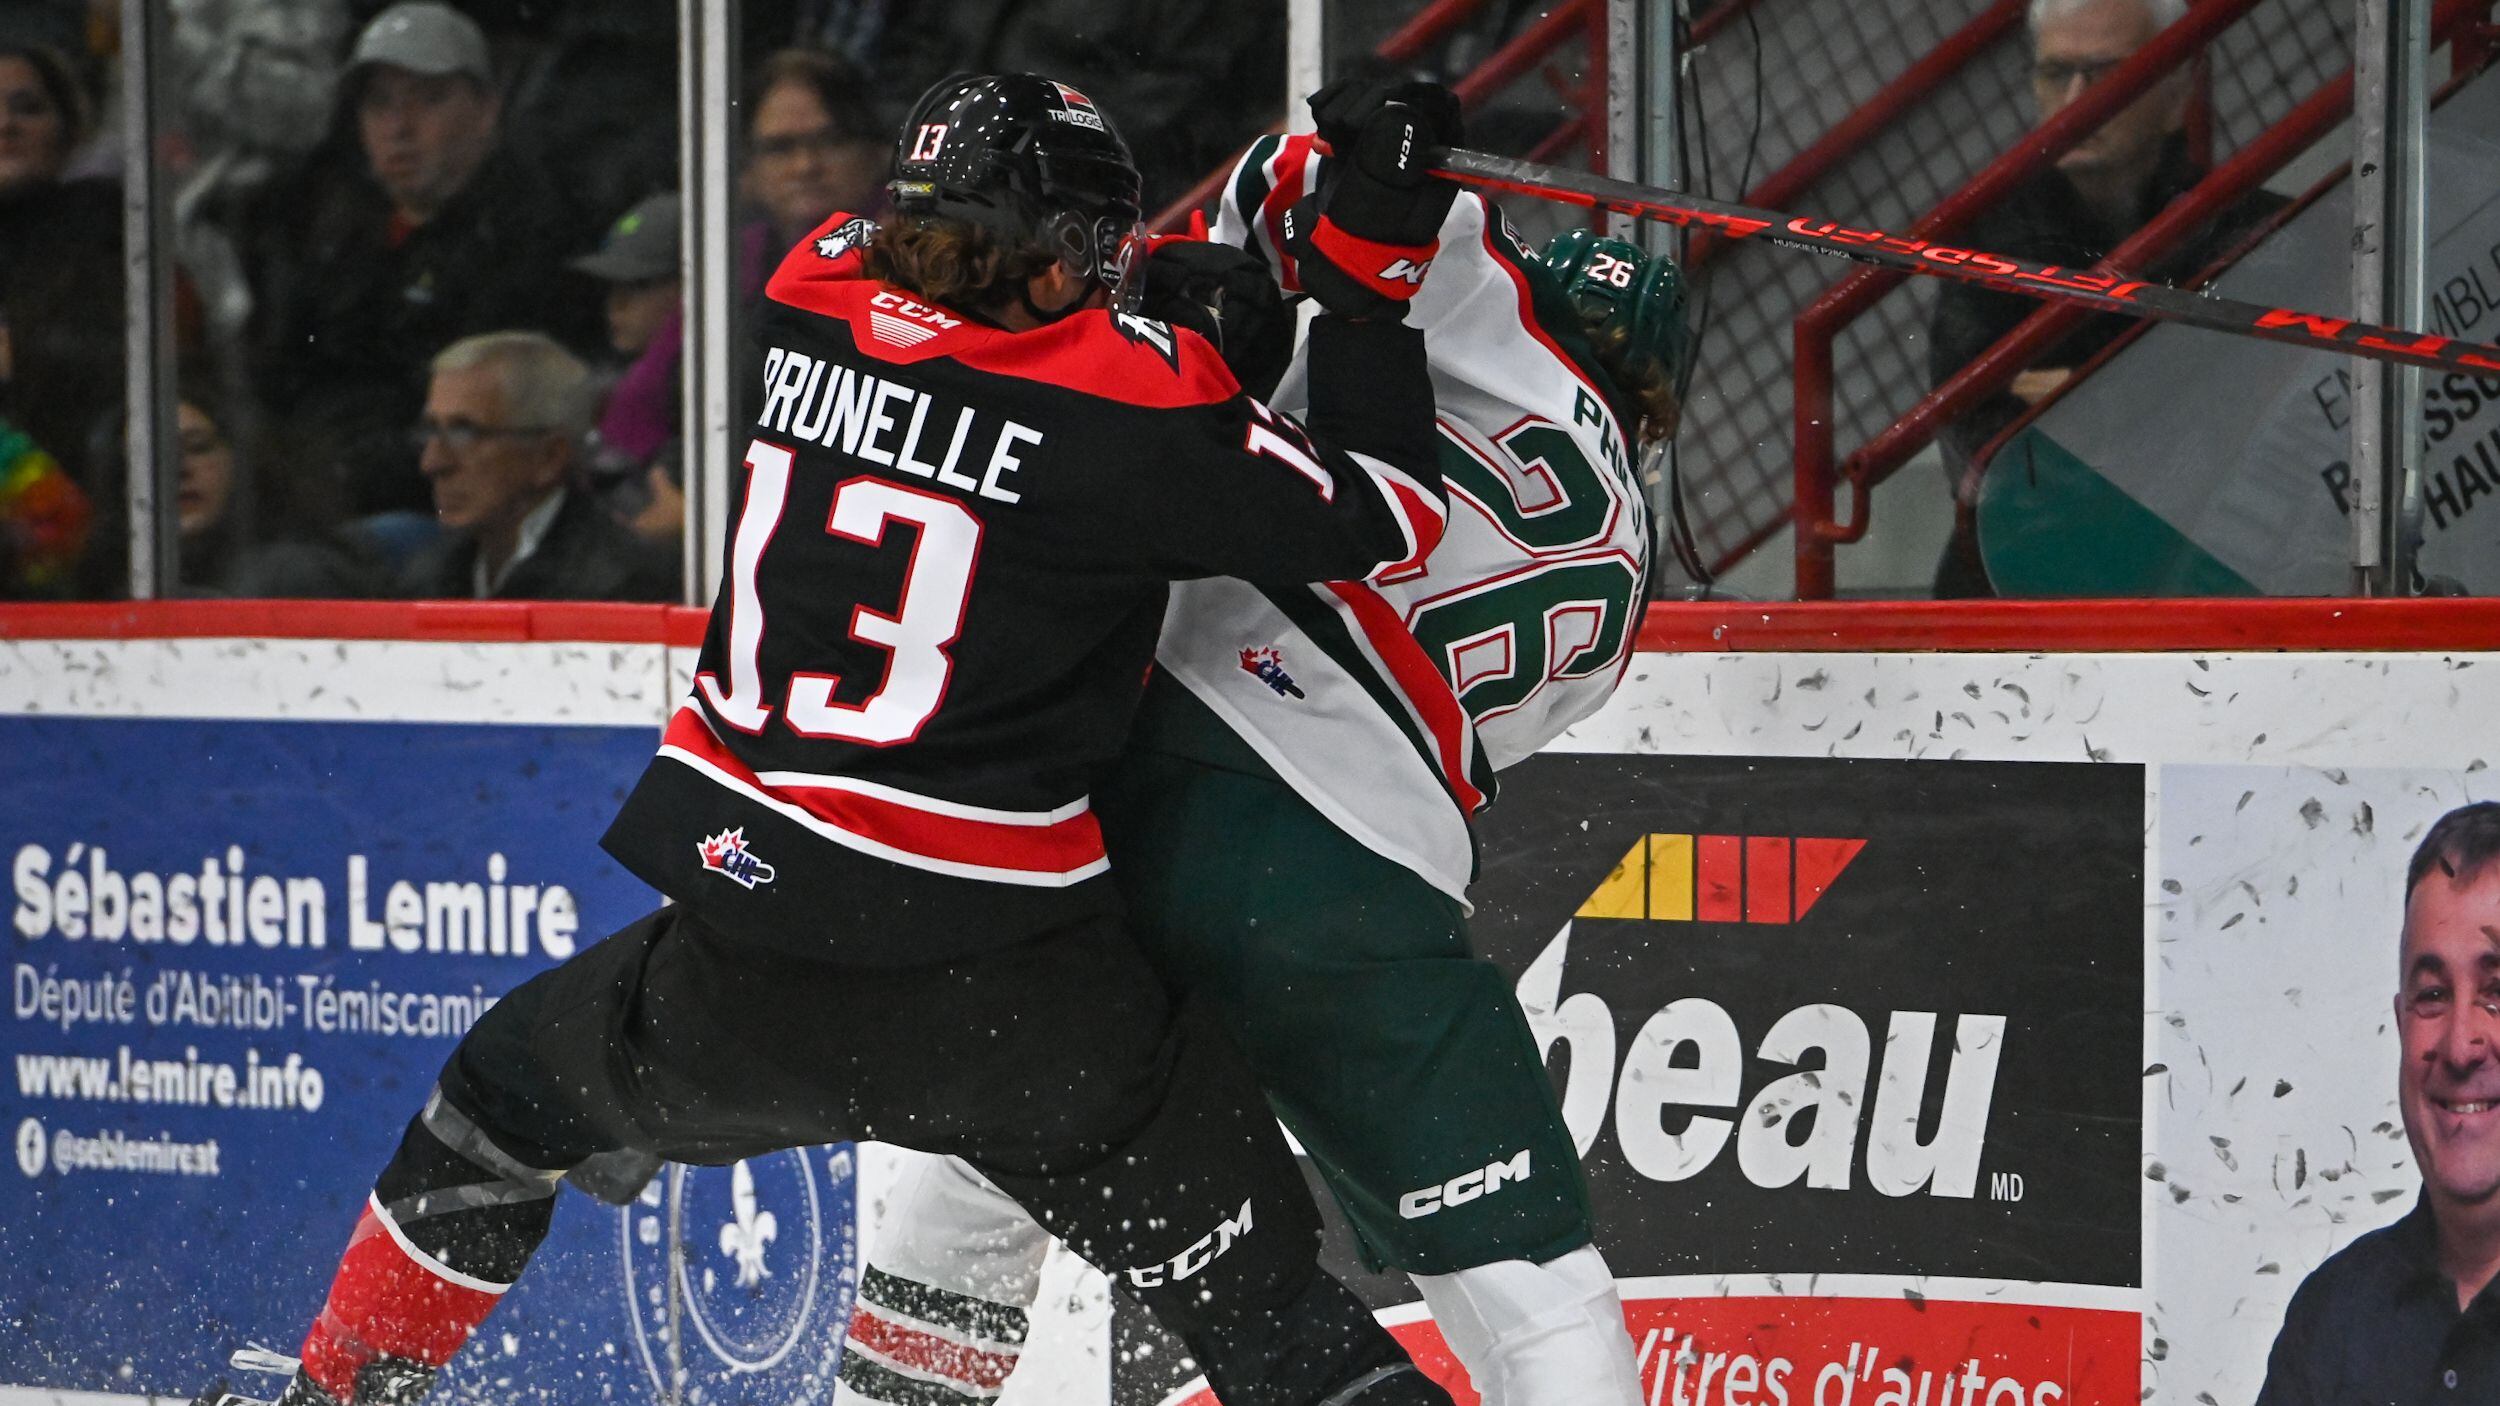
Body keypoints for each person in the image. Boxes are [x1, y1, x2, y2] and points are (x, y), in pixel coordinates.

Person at [191, 71, 1464, 1406]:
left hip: (746, 969)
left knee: (498, 1105)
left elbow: (995, 341)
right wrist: (1363, 288)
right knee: (1274, 1321)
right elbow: (1386, 513)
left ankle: (332, 1395)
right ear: (1053, 250)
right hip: (1020, 995)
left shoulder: (812, 286)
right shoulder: (1132, 400)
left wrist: (1151, 307)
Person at [851, 106, 1682, 1406]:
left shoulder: (1490, 322)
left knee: (993, 1148)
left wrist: (1362, 158)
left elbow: (1318, 192)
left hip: (1144, 770)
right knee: (1528, 1277)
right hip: (1353, 873)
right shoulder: (1625, 582)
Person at [1926, 0, 2284, 596]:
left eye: (2104, 74)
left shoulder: (2244, 232)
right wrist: (2161, 389)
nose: (2076, 101)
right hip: (2029, 578)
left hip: (2190, 574)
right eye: (2055, 73)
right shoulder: (1985, 235)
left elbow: (2243, 434)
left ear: (2177, 89)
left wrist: (2076, 399)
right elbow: (1987, 458)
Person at [242, 1, 596, 524]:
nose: (399, 126)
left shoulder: (528, 234)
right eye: (379, 103)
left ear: (487, 110)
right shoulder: (328, 227)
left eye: (429, 99)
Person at [2255, 801, 2500, 1402]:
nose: (2461, 1045)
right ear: (2400, 1022)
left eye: (2497, 991)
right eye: (2433, 994)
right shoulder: (2329, 1320)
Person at [397, 332, 674, 602]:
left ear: (549, 458)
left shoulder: (623, 587)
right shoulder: (426, 578)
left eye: (464, 433)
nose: (431, 463)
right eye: (430, 429)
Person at [0, 40, 122, 592]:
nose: (5, 126)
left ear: (69, 132)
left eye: (27, 108)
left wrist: (19, 357)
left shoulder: (101, 224)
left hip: (75, 509)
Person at [571, 191, 689, 547]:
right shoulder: (615, 379)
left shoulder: (700, 382)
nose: (616, 305)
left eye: (640, 285)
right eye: (612, 287)